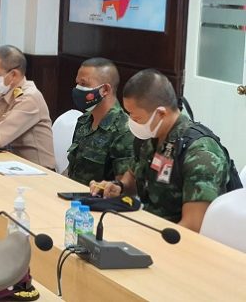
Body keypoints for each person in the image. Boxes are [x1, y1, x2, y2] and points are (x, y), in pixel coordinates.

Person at [90, 69, 229, 231]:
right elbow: (132, 179)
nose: (131, 123)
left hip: (175, 238)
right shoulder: (149, 137)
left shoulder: (200, 154)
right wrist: (118, 187)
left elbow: (192, 226)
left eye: (136, 118)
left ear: (161, 113)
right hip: (149, 226)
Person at [0, 45, 55, 169]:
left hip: (38, 171)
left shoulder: (29, 98)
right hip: (11, 163)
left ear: (14, 74)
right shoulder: (5, 93)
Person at [66, 57, 134, 185]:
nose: (78, 89)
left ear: (105, 90)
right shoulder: (84, 121)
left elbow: (123, 188)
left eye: (84, 84)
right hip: (72, 193)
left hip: (98, 197)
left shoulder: (124, 131)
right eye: (77, 83)